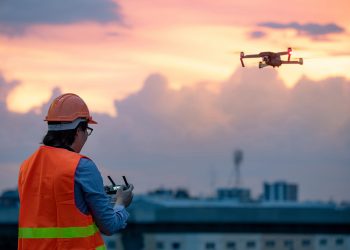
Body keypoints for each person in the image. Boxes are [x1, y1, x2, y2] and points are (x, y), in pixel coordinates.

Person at [18, 93, 134, 250]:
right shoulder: (82, 166)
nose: (86, 137)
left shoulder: (27, 167)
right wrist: (121, 203)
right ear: (78, 130)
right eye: (87, 130)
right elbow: (109, 225)